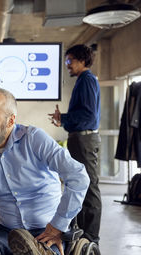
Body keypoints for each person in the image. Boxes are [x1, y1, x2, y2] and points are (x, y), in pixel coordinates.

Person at [0, 88, 89, 255]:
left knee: (45, 246)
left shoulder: (34, 139)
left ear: (10, 121)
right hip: (9, 231)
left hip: (47, 230)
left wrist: (58, 225)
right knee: (3, 241)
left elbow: (79, 177)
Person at [48, 44, 101, 243]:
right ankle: (83, 233)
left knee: (89, 186)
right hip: (81, 139)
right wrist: (64, 119)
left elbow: (88, 115)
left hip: (85, 139)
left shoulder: (86, 80)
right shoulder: (84, 80)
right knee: (79, 183)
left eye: (70, 61)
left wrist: (65, 118)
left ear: (82, 60)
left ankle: (91, 236)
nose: (67, 65)